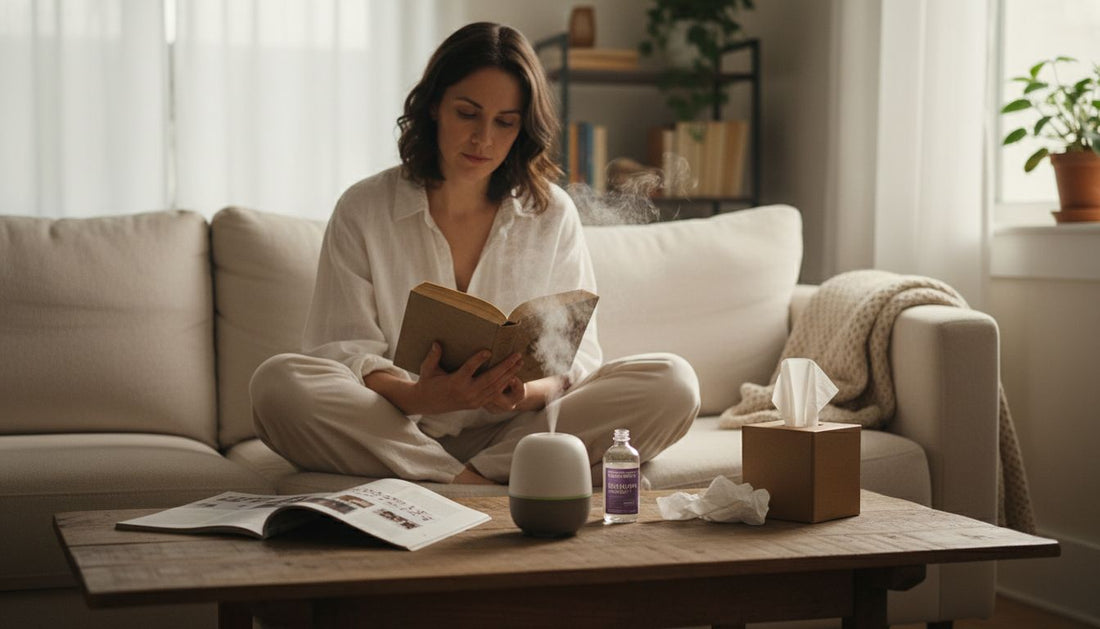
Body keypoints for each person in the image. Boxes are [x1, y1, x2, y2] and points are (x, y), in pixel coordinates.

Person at [250, 22, 699, 486]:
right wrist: (425, 396)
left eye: (505, 122)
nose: (483, 139)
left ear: (523, 128)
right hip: (396, 426)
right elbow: (344, 352)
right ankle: (475, 485)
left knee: (672, 382)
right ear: (434, 106)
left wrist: (520, 393)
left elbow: (575, 361)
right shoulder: (364, 208)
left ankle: (456, 480)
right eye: (467, 114)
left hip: (517, 430)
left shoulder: (551, 213)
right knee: (278, 384)